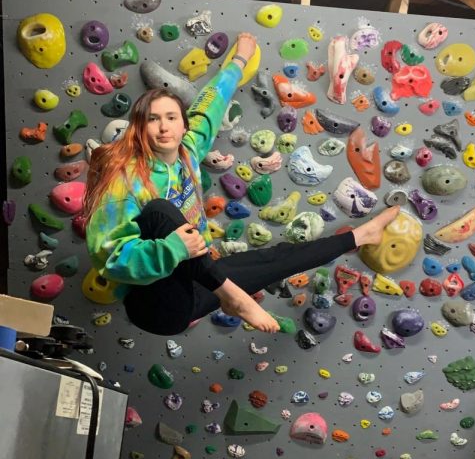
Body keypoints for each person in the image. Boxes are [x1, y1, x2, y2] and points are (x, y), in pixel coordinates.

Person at [84, 32, 399, 336]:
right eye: (152, 119)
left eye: (171, 118)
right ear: (139, 127)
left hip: (195, 292)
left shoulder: (188, 151)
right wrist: (174, 249)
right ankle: (233, 297)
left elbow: (210, 106)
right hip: (154, 306)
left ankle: (361, 235)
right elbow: (109, 258)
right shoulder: (126, 178)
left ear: (183, 124)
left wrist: (238, 61)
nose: (163, 127)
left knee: (274, 258)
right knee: (159, 212)